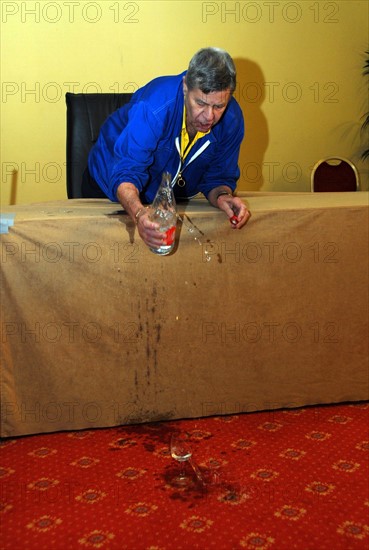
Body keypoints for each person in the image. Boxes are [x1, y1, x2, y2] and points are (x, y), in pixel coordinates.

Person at [85, 47, 251, 250]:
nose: (209, 117)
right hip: (110, 180)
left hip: (162, 196)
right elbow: (127, 171)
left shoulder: (232, 119)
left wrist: (223, 196)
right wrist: (138, 213)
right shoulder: (155, 106)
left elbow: (217, 178)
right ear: (185, 87)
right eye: (200, 103)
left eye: (218, 107)